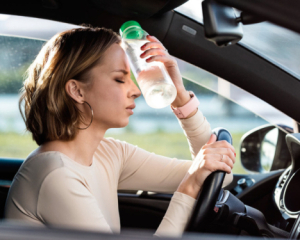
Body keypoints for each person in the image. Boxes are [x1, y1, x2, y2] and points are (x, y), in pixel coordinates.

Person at [4, 26, 236, 238]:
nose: (136, 90)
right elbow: (198, 179)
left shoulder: (109, 153)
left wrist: (180, 96)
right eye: (119, 79)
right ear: (76, 90)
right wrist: (190, 186)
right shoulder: (55, 175)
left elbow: (220, 175)